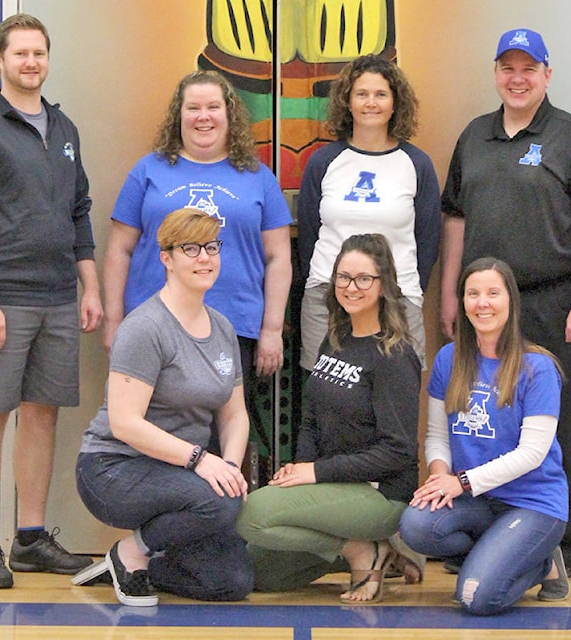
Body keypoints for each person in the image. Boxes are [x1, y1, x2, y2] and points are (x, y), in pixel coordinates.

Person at [439, 28, 571, 576]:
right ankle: (490, 539)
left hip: (554, 304)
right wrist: (450, 292)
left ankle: (558, 551)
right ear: (496, 73)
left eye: (528, 68)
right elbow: (455, 219)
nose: (517, 79)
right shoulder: (474, 137)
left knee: (562, 426)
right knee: (484, 418)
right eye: (507, 68)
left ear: (547, 74)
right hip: (485, 308)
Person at [0, 13, 103, 589]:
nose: (31, 62)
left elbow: (79, 210)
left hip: (59, 296)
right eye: (20, 54)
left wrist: (90, 287)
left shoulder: (63, 128)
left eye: (39, 53)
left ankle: (30, 539)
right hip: (1, 298)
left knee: (41, 416)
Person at [74, 209, 254, 607]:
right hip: (113, 468)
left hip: (180, 473)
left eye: (211, 247)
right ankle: (130, 554)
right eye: (190, 248)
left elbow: (234, 413)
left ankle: (137, 563)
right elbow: (124, 424)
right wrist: (201, 461)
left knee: (232, 581)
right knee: (218, 501)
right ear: (166, 258)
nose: (204, 257)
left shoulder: (223, 328)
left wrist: (229, 467)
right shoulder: (146, 328)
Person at [236, 234, 423, 604]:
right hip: (332, 487)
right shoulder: (334, 340)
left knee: (252, 515)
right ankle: (378, 551)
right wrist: (299, 469)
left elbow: (398, 451)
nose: (351, 287)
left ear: (383, 285)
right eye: (343, 277)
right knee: (259, 572)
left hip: (379, 494)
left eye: (363, 278)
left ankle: (361, 552)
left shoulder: (394, 356)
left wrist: (315, 474)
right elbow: (309, 422)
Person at [398, 257, 569, 615]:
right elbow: (436, 435)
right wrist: (440, 475)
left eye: (493, 293)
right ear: (462, 303)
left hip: (532, 503)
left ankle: (541, 564)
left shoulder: (537, 368)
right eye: (473, 294)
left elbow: (532, 454)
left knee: (476, 598)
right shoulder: (449, 359)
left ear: (511, 301)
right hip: (477, 499)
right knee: (416, 525)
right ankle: (502, 550)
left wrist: (459, 482)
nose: (483, 303)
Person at [101, 70, 292, 386]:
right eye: (193, 108)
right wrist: (113, 319)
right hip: (152, 324)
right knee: (152, 427)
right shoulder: (148, 171)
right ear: (179, 116)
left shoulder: (259, 177)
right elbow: (119, 249)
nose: (204, 117)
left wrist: (271, 329)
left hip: (234, 325)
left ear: (229, 114)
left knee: (225, 426)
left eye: (213, 107)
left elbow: (279, 258)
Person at [297, 54, 441, 371]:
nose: (370, 103)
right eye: (362, 94)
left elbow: (428, 239)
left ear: (395, 103)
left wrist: (399, 287)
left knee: (396, 395)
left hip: (397, 297)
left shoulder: (417, 164)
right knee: (326, 395)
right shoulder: (323, 162)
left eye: (380, 94)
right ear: (347, 101)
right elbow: (308, 233)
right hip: (328, 297)